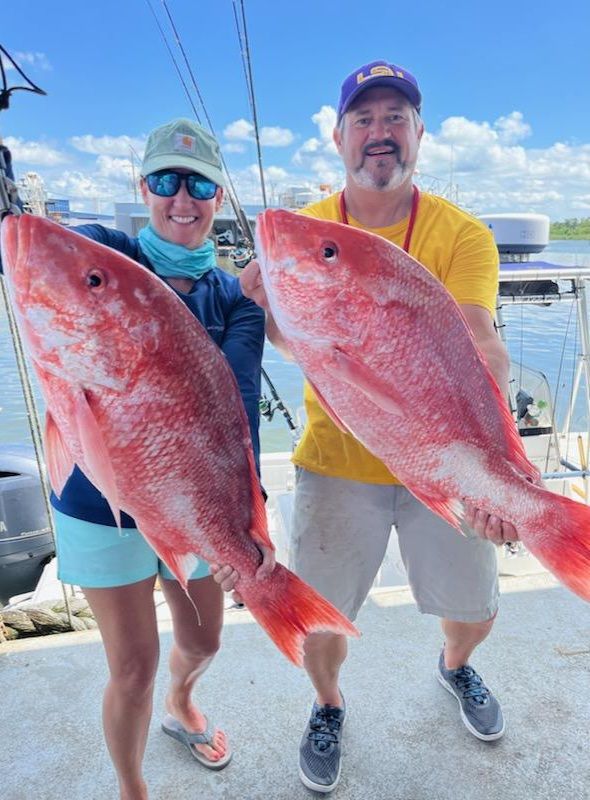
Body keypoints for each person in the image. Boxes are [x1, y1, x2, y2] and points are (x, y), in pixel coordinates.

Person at [236, 60, 517, 793]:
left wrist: (502, 469)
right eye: (364, 119)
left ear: (420, 132)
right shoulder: (309, 231)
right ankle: (328, 706)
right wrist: (264, 307)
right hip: (335, 460)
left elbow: (478, 342)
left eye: (396, 117)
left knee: (475, 605)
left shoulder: (464, 235)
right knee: (319, 620)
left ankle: (455, 667)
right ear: (338, 138)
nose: (380, 133)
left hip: (444, 458)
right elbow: (297, 341)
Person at [41, 119, 269, 800]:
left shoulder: (235, 302)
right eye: (167, 180)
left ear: (219, 198)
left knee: (204, 643)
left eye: (200, 184)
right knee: (131, 669)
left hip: (186, 497)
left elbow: (238, 420)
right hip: (95, 500)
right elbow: (20, 249)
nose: (182, 198)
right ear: (144, 187)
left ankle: (183, 702)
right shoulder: (103, 258)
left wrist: (249, 532)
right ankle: (132, 786)